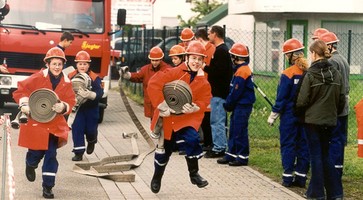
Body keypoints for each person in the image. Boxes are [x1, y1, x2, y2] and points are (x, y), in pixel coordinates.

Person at [147, 41, 212, 193]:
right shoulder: (174, 72)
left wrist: (196, 107)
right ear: (187, 58)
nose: (196, 62)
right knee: (164, 152)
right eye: (193, 58)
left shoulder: (203, 80)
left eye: (199, 59)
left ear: (203, 61)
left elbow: (205, 98)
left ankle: (194, 174)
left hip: (186, 119)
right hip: (168, 119)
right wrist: (162, 105)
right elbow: (153, 84)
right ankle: (157, 177)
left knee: (192, 140)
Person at [12, 47, 76, 199]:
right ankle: (31, 163)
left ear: (63, 65)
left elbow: (71, 101)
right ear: (48, 64)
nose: (57, 67)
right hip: (37, 122)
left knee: (51, 154)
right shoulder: (37, 77)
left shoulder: (67, 82)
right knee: (36, 151)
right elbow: (20, 91)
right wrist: (24, 104)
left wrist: (64, 107)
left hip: (54, 125)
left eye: (60, 64)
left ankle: (48, 186)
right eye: (54, 63)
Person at [294, 40, 345, 200]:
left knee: (315, 156)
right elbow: (341, 98)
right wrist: (333, 113)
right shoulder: (336, 73)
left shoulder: (310, 74)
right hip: (330, 120)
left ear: (315, 54)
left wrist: (300, 114)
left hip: (312, 121)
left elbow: (302, 100)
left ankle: (316, 194)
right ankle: (335, 193)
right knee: (326, 155)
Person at [267, 38, 310, 187]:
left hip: (289, 116)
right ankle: (301, 178)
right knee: (304, 145)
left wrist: (273, 115)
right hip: (305, 115)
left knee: (288, 145)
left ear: (290, 55)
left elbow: (282, 97)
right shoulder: (309, 72)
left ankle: (287, 178)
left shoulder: (288, 73)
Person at [216, 43, 255, 166]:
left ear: (236, 58)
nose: (231, 58)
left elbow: (236, 92)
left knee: (239, 131)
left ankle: (242, 157)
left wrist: (228, 104)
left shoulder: (242, 71)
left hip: (242, 106)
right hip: (239, 105)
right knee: (233, 130)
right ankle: (231, 154)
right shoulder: (240, 70)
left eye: (232, 56)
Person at [320, 31, 350, 179]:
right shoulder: (343, 59)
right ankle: (338, 169)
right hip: (344, 104)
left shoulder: (332, 61)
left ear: (330, 46)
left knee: (333, 139)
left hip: (335, 105)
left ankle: (332, 171)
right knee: (339, 138)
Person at [68, 50, 104, 161]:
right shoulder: (70, 75)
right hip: (78, 108)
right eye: (80, 64)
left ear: (89, 65)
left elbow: (100, 92)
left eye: (85, 64)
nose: (82, 66)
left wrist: (90, 95)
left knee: (91, 130)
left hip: (91, 109)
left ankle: (92, 140)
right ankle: (78, 152)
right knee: (77, 128)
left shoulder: (94, 77)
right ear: (76, 64)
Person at [203, 25, 233, 158]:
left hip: (219, 93)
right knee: (217, 121)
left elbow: (219, 72)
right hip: (218, 92)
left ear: (215, 34)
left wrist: (206, 67)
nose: (208, 36)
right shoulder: (221, 50)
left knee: (217, 121)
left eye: (209, 33)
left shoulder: (221, 51)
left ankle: (219, 148)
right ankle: (219, 145)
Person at [121, 46, 171, 120]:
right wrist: (128, 75)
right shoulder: (145, 70)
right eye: (152, 60)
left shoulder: (168, 70)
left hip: (164, 105)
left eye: (156, 60)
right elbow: (137, 76)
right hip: (151, 104)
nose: (154, 62)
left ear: (161, 59)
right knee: (153, 127)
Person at [194, 28, 216, 151]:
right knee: (204, 116)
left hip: (208, 87)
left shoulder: (210, 50)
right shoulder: (209, 49)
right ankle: (207, 141)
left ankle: (209, 142)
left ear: (200, 39)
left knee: (208, 117)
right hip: (203, 86)